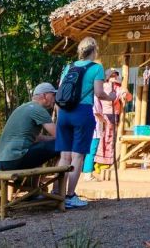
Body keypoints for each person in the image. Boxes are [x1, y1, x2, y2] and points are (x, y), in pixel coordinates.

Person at [56, 36, 115, 208]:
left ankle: (57, 194)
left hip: (64, 113)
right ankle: (70, 195)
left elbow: (61, 91)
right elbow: (98, 92)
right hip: (82, 112)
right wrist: (110, 96)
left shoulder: (69, 67)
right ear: (95, 50)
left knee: (64, 156)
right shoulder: (96, 68)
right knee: (78, 156)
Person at [0, 83, 58, 171]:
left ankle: (34, 180)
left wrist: (53, 138)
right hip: (16, 159)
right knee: (63, 144)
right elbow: (60, 136)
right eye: (53, 95)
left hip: (1, 161)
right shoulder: (38, 109)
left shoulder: (22, 107)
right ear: (44, 95)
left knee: (44, 145)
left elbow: (37, 138)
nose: (55, 99)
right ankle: (63, 176)